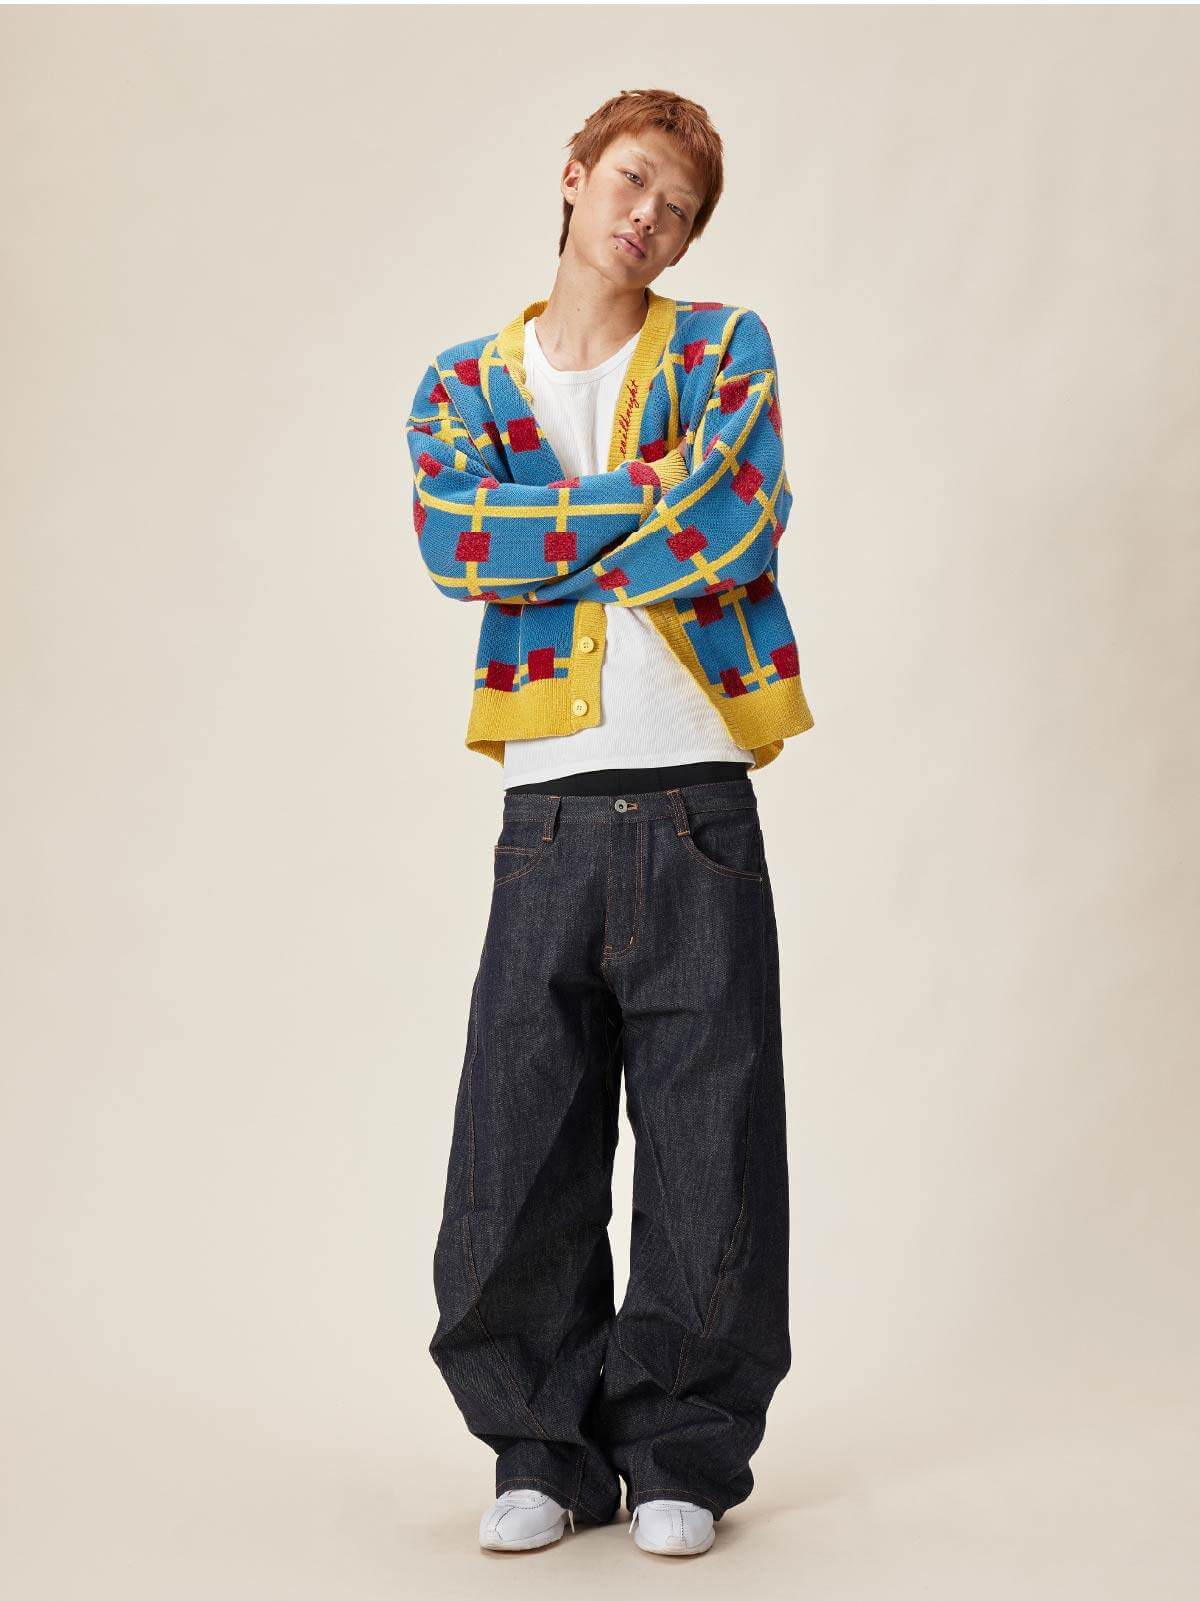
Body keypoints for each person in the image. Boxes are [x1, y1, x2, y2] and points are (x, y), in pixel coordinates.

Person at [406, 88, 815, 1557]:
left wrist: (553, 532)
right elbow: (457, 542)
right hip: (546, 814)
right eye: (635, 180)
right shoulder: (464, 382)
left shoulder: (723, 348)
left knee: (712, 1134)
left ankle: (684, 1449)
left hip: (698, 793)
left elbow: (737, 520)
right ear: (575, 177)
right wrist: (645, 505)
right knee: (518, 1140)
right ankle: (543, 1449)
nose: (651, 216)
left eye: (679, 209)